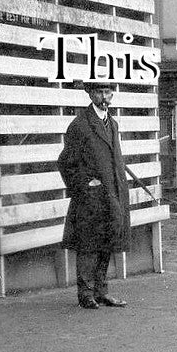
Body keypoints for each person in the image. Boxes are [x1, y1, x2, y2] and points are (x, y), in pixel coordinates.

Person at [58, 80, 131, 309]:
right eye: (99, 91)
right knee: (88, 245)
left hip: (112, 194)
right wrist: (85, 184)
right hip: (91, 198)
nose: (104, 96)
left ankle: (101, 292)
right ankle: (86, 294)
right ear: (90, 94)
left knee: (107, 243)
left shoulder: (113, 124)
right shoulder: (80, 125)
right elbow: (65, 162)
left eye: (108, 91)